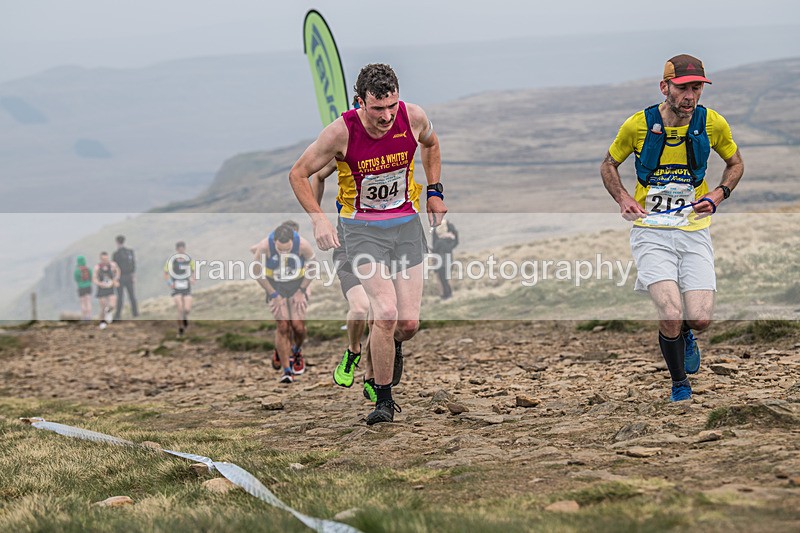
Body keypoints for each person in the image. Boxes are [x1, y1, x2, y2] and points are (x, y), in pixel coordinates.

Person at [289, 63, 448, 424]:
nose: (387, 116)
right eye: (377, 109)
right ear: (360, 102)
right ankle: (383, 400)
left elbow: (432, 144)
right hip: (361, 230)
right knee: (386, 312)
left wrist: (435, 192)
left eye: (392, 106)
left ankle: (385, 348)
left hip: (406, 225)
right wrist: (318, 218)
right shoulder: (340, 133)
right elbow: (298, 173)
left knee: (407, 324)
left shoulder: (414, 117)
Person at [600, 54, 744, 402]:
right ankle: (680, 384)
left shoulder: (713, 124)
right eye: (682, 88)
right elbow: (608, 164)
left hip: (694, 230)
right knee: (669, 312)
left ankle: (687, 333)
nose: (690, 96)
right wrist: (622, 198)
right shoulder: (638, 125)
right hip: (651, 231)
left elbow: (735, 163)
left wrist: (719, 193)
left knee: (700, 319)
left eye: (696, 88)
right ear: (665, 87)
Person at [310, 159, 376, 401]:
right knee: (360, 307)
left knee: (379, 317)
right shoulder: (346, 153)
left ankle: (371, 377)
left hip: (384, 248)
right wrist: (318, 219)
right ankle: (353, 351)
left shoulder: (392, 154)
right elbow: (316, 176)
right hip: (348, 248)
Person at [251, 223, 316, 384]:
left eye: (288, 250)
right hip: (276, 286)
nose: (284, 253)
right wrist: (273, 294)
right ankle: (287, 371)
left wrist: (302, 290)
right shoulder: (265, 245)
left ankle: (295, 350)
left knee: (298, 327)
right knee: (283, 326)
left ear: (293, 242)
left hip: (297, 285)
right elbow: (257, 272)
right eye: (281, 250)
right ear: (275, 243)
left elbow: (313, 268)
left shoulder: (303, 245)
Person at [164, 241, 195, 337]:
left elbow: (193, 271)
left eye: (183, 249)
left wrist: (192, 278)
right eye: (179, 249)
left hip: (186, 287)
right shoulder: (171, 261)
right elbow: (166, 273)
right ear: (177, 250)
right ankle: (180, 329)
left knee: (187, 309)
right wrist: (170, 283)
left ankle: (185, 318)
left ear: (184, 249)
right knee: (180, 308)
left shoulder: (189, 260)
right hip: (176, 288)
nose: (181, 250)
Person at [431, 217, 459, 300]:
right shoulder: (449, 240)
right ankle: (448, 294)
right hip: (448, 260)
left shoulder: (439, 241)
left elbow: (435, 248)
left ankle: (446, 295)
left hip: (441, 262)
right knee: (445, 279)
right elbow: (456, 241)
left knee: (442, 279)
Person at [112, 235, 138, 319]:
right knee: (132, 295)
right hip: (129, 276)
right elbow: (133, 264)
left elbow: (114, 268)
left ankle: (118, 315)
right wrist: (133, 276)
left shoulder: (116, 254)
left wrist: (115, 278)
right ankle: (135, 313)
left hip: (120, 277)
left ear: (117, 242)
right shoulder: (130, 252)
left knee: (120, 296)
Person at [93, 252, 120, 329]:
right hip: (101, 288)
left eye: (106, 259)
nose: (105, 260)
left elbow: (118, 271)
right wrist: (99, 283)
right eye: (103, 259)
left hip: (110, 287)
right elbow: (94, 278)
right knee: (103, 306)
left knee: (113, 304)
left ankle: (108, 312)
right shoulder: (97, 267)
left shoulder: (112, 265)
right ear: (100, 259)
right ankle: (102, 322)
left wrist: (115, 280)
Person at [73, 255, 93, 321]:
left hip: (81, 287)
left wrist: (81, 283)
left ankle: (84, 317)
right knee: (88, 301)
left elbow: (76, 279)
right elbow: (91, 277)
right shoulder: (88, 269)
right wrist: (88, 282)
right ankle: (89, 316)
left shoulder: (77, 271)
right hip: (88, 286)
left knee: (82, 302)